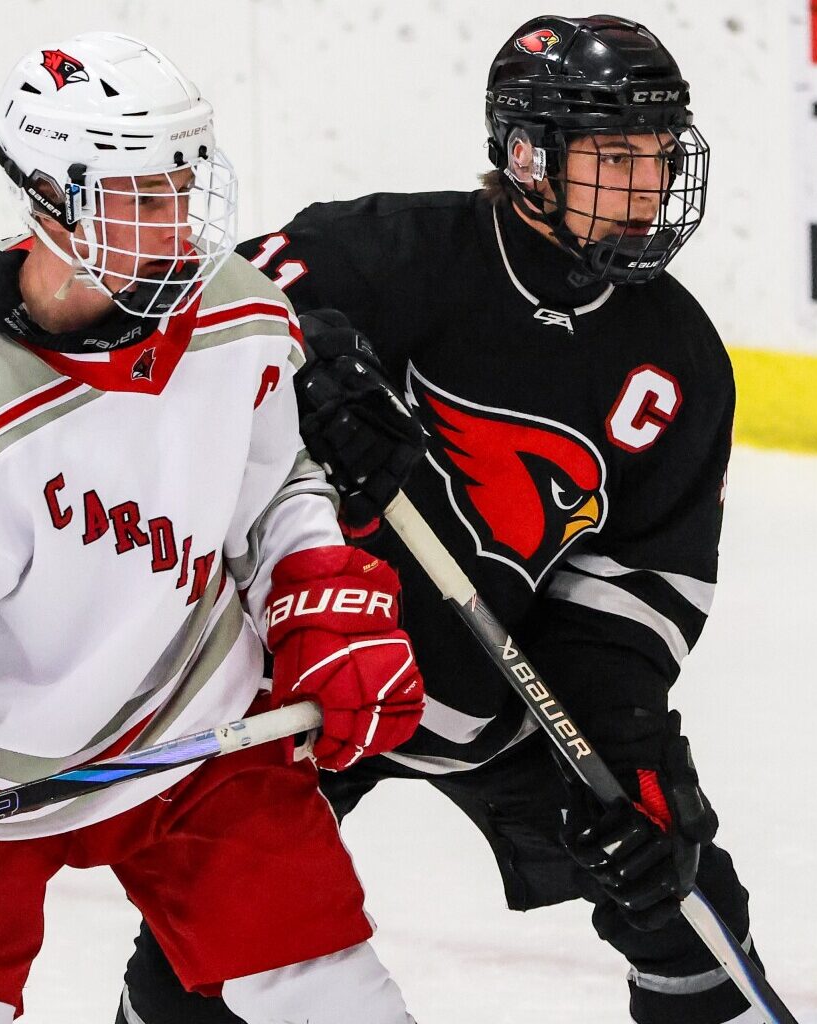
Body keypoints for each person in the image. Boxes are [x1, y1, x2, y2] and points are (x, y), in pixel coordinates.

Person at [117, 15, 768, 1024]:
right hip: (309, 666)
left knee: (678, 892)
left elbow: (638, 585)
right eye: (613, 156)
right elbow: (181, 341)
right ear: (527, 161)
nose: (645, 186)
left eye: (657, 154)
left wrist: (628, 746)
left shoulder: (675, 357)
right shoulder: (377, 251)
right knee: (210, 936)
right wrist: (296, 374)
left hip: (500, 687)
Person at [0, 31, 425, 1024]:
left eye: (182, 187)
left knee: (337, 998)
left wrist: (313, 596)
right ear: (50, 202)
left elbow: (272, 495)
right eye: (141, 200)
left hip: (197, 727)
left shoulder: (244, 321)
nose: (177, 229)